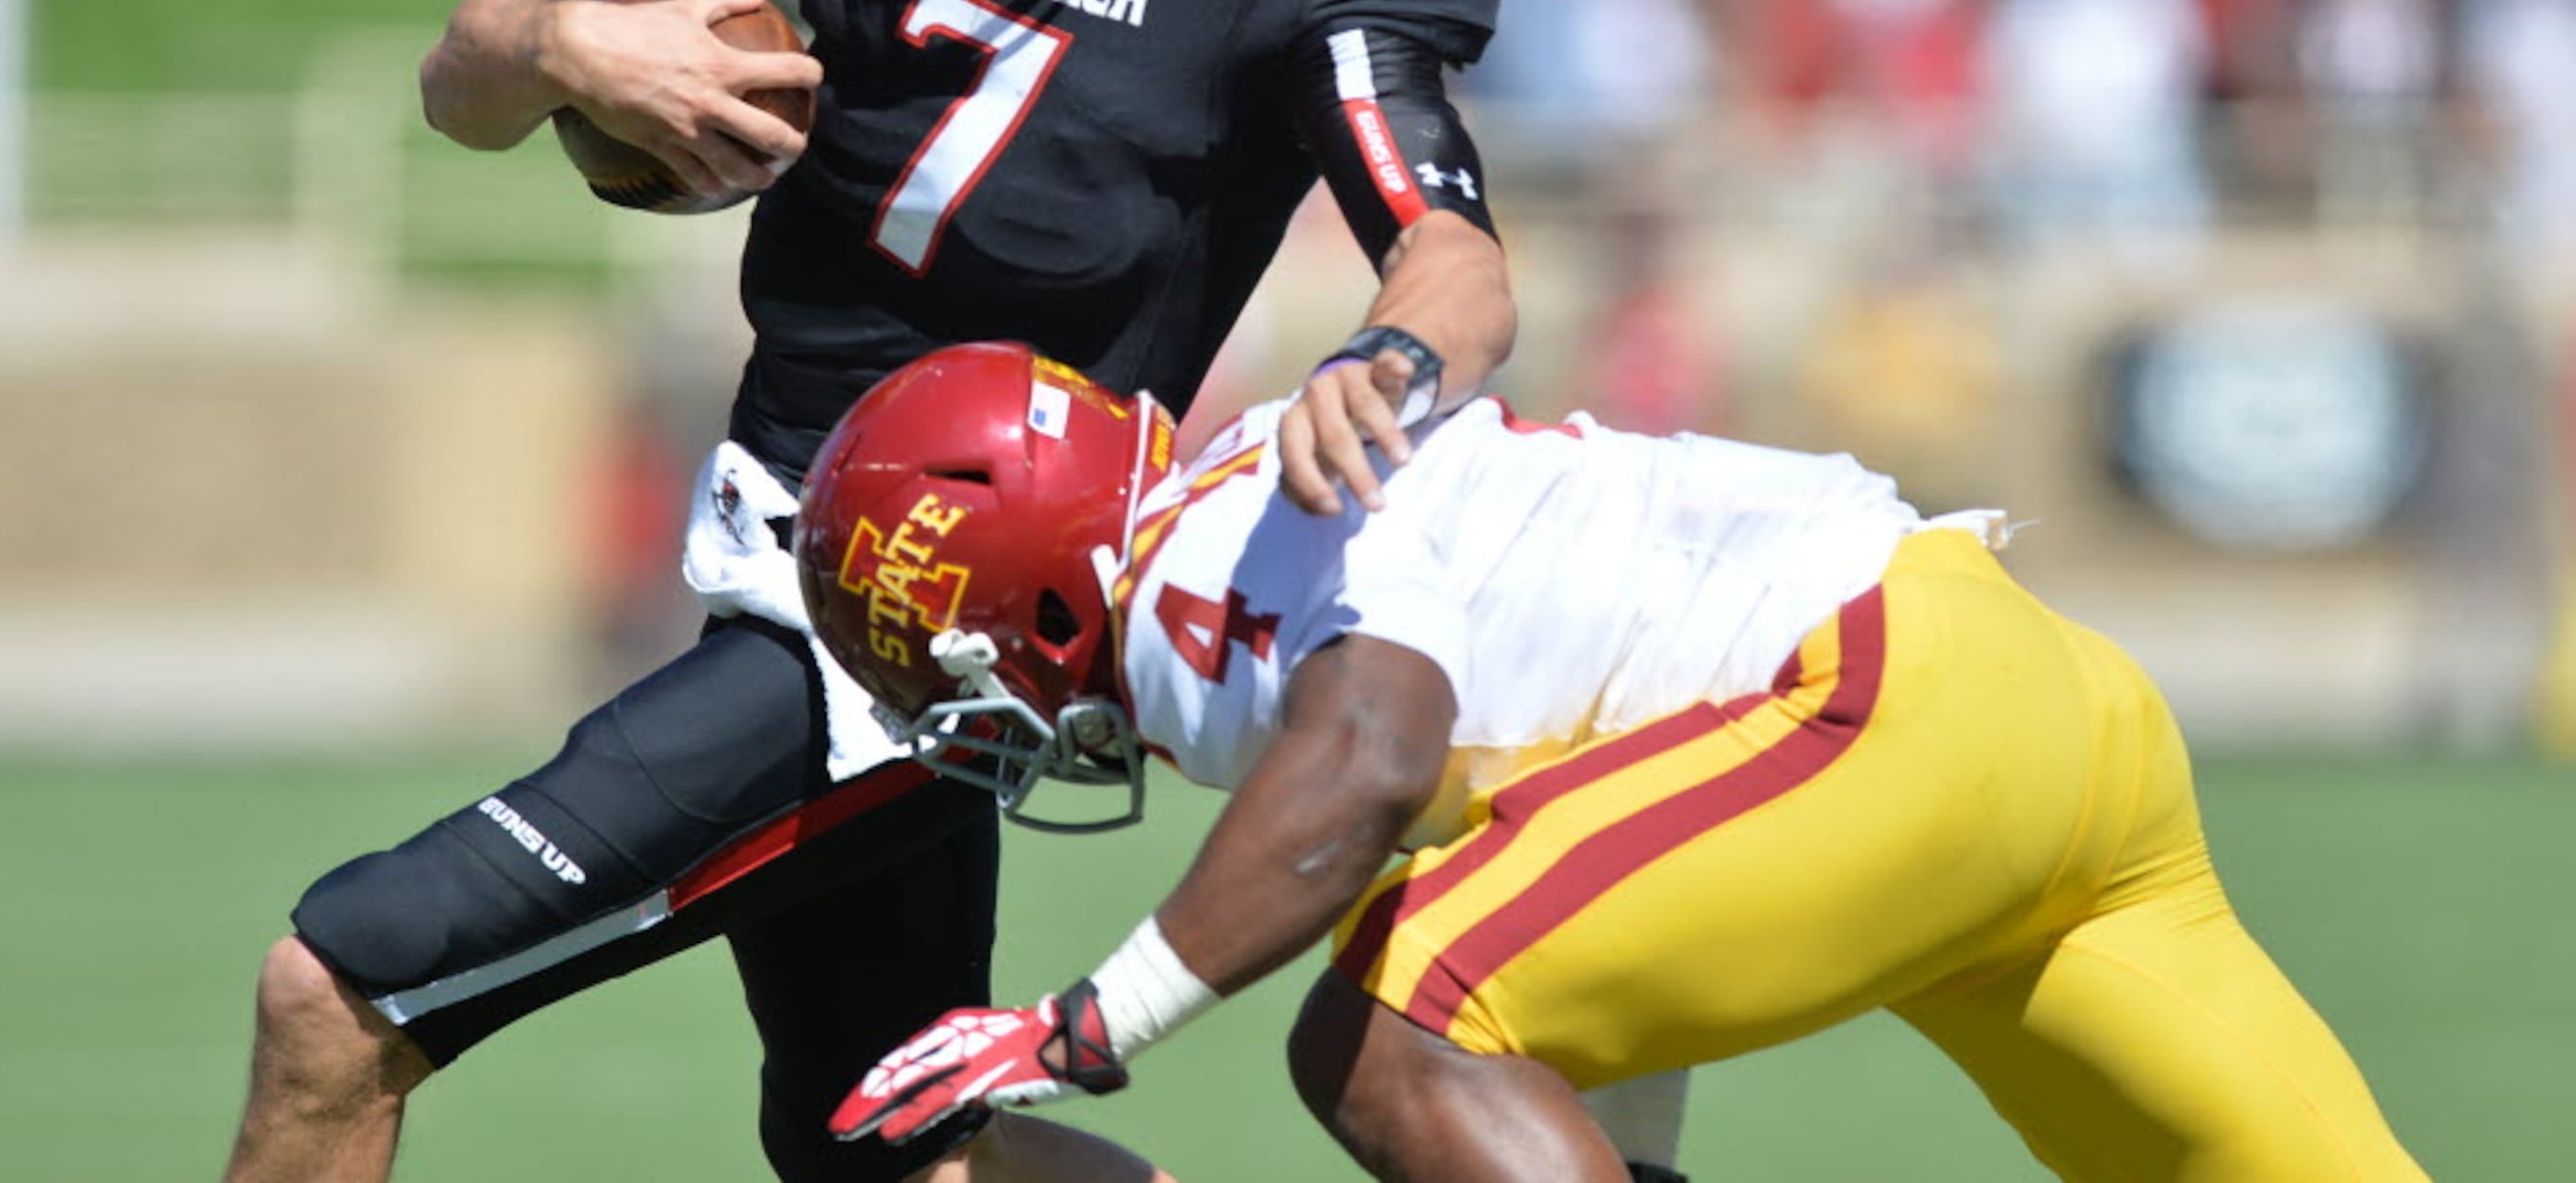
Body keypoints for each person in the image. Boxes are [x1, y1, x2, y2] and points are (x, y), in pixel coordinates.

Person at [221, 0, 1519, 1183]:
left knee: (338, 989)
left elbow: (1449, 242)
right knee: (884, 1153)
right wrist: (557, 39)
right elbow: (467, 87)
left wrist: (1391, 351)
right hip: (783, 512)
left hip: (942, 594)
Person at [798, 342, 2429, 1183]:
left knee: (1390, 1013)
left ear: (1031, 586)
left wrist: (1088, 1022)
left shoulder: (1189, 588)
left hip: (1886, 710)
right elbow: (1603, 836)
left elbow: (1374, 752)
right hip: (2046, 715)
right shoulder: (1245, 481)